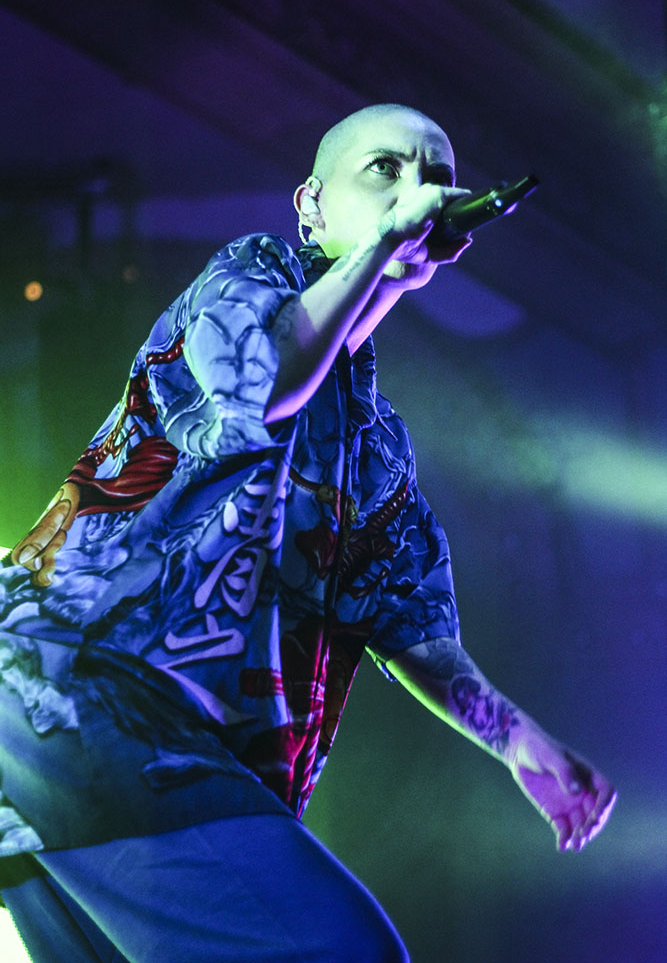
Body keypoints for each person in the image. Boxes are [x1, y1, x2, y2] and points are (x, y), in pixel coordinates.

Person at [0, 103, 616, 962]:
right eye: (384, 170)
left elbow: (411, 627)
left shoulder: (377, 454)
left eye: (434, 176)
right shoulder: (246, 276)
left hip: (107, 753)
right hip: (77, 700)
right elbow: (262, 385)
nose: (419, 192)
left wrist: (519, 742)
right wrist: (381, 252)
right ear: (311, 206)